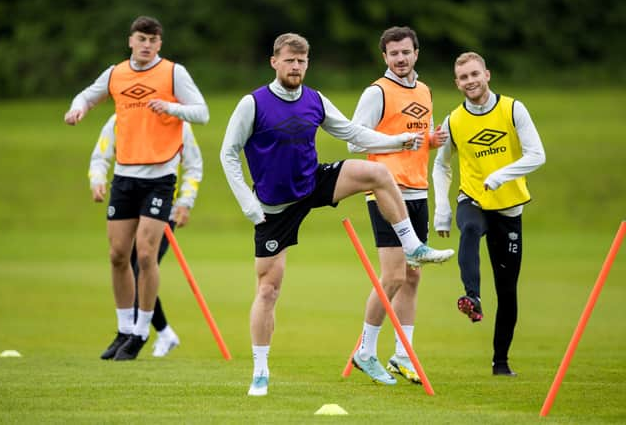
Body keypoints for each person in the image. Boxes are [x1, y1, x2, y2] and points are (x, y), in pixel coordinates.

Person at [220, 32, 454, 396]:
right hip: (272, 206)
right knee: (268, 290)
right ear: (274, 62)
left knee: (377, 173)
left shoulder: (315, 100)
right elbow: (228, 154)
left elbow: (352, 132)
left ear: (307, 64)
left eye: (301, 61)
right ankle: (260, 371)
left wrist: (394, 142)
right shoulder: (253, 104)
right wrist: (248, 205)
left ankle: (412, 246)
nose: (295, 67)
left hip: (313, 182)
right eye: (289, 60)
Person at [64, 15, 209, 361]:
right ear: (131, 40)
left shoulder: (174, 73)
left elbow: (202, 112)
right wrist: (78, 108)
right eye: (141, 38)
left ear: (160, 44)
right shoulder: (116, 74)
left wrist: (171, 107)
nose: (146, 45)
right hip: (125, 178)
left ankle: (143, 330)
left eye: (152, 40)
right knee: (117, 256)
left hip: (160, 178)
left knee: (145, 255)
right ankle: (124, 330)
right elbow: (89, 95)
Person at [432, 52, 545, 376]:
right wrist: (442, 209)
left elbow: (537, 154)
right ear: (457, 83)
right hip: (474, 199)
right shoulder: (454, 120)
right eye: (464, 77)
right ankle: (472, 298)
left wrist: (501, 176)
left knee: (507, 291)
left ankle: (501, 361)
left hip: (508, 207)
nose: (470, 81)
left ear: (487, 75)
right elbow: (441, 165)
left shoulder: (512, 108)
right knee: (468, 229)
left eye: (474, 74)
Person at [348, 26, 448, 385]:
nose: (400, 59)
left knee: (412, 276)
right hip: (386, 191)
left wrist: (433, 141)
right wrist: (396, 142)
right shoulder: (377, 92)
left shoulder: (424, 90)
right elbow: (354, 141)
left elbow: (419, 140)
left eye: (406, 52)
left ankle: (403, 355)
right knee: (391, 276)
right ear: (385, 57)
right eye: (394, 54)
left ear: (416, 53)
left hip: (418, 191)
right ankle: (366, 351)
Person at [89, 114, 203, 358]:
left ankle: (144, 333)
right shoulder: (122, 116)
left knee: (143, 264)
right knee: (123, 261)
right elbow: (102, 153)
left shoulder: (177, 121)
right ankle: (157, 332)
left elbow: (194, 165)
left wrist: (185, 202)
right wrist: (97, 178)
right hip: (127, 198)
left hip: (163, 208)